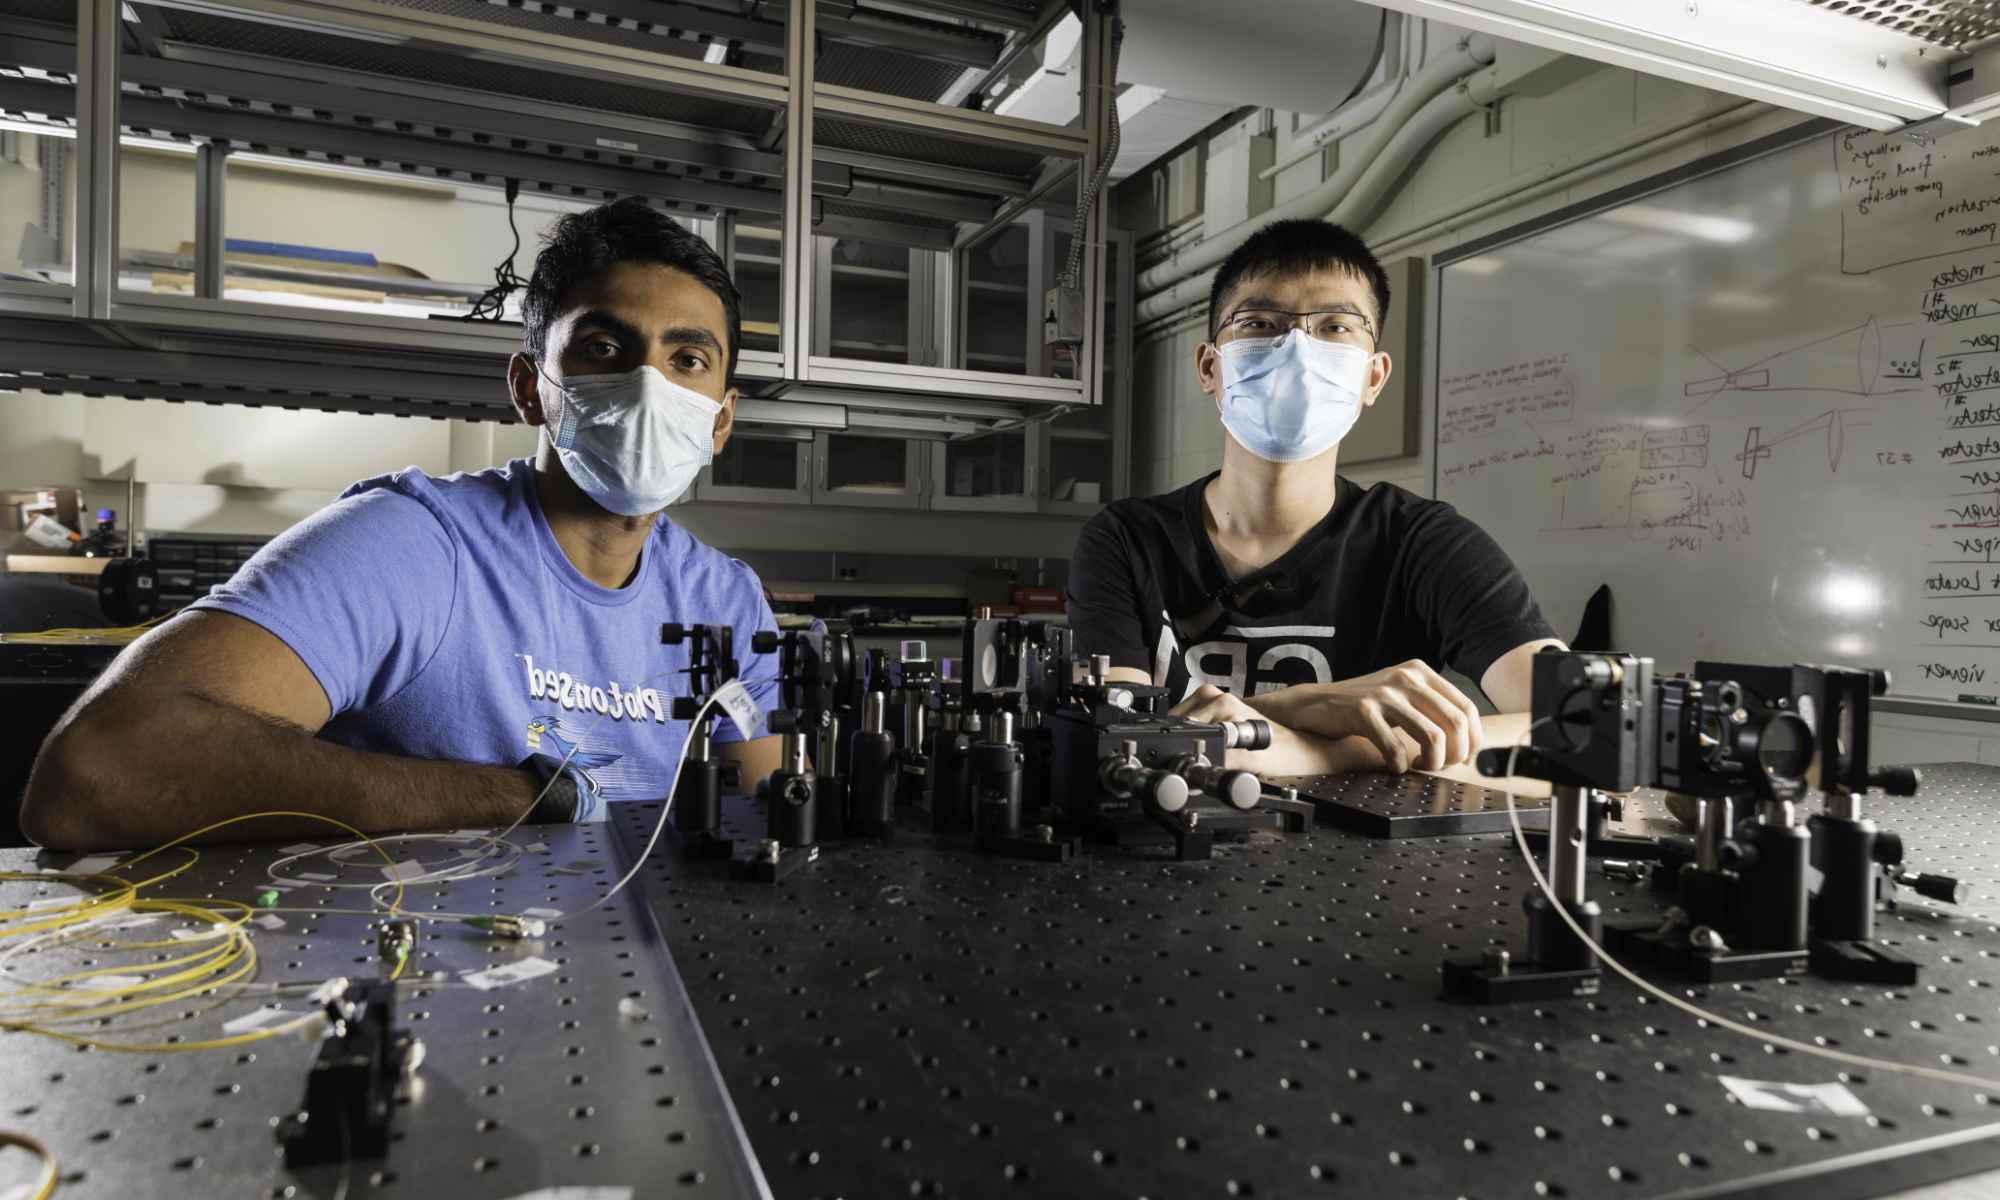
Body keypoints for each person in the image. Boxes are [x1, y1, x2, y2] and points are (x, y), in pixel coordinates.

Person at [23, 198, 781, 850]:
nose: (648, 387)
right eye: (605, 348)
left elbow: (766, 818)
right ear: (530, 388)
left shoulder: (726, 603)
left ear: (721, 421)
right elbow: (98, 771)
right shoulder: (411, 544)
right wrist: (515, 799)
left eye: (687, 360)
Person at [1065, 219, 1563, 779]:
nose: (1298, 352)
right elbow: (1108, 744)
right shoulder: (1128, 539)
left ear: (1373, 378)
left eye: (1335, 327)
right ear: (1210, 366)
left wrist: (1312, 749)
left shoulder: (1423, 543)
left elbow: (1586, 729)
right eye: (1259, 323)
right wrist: (1299, 706)